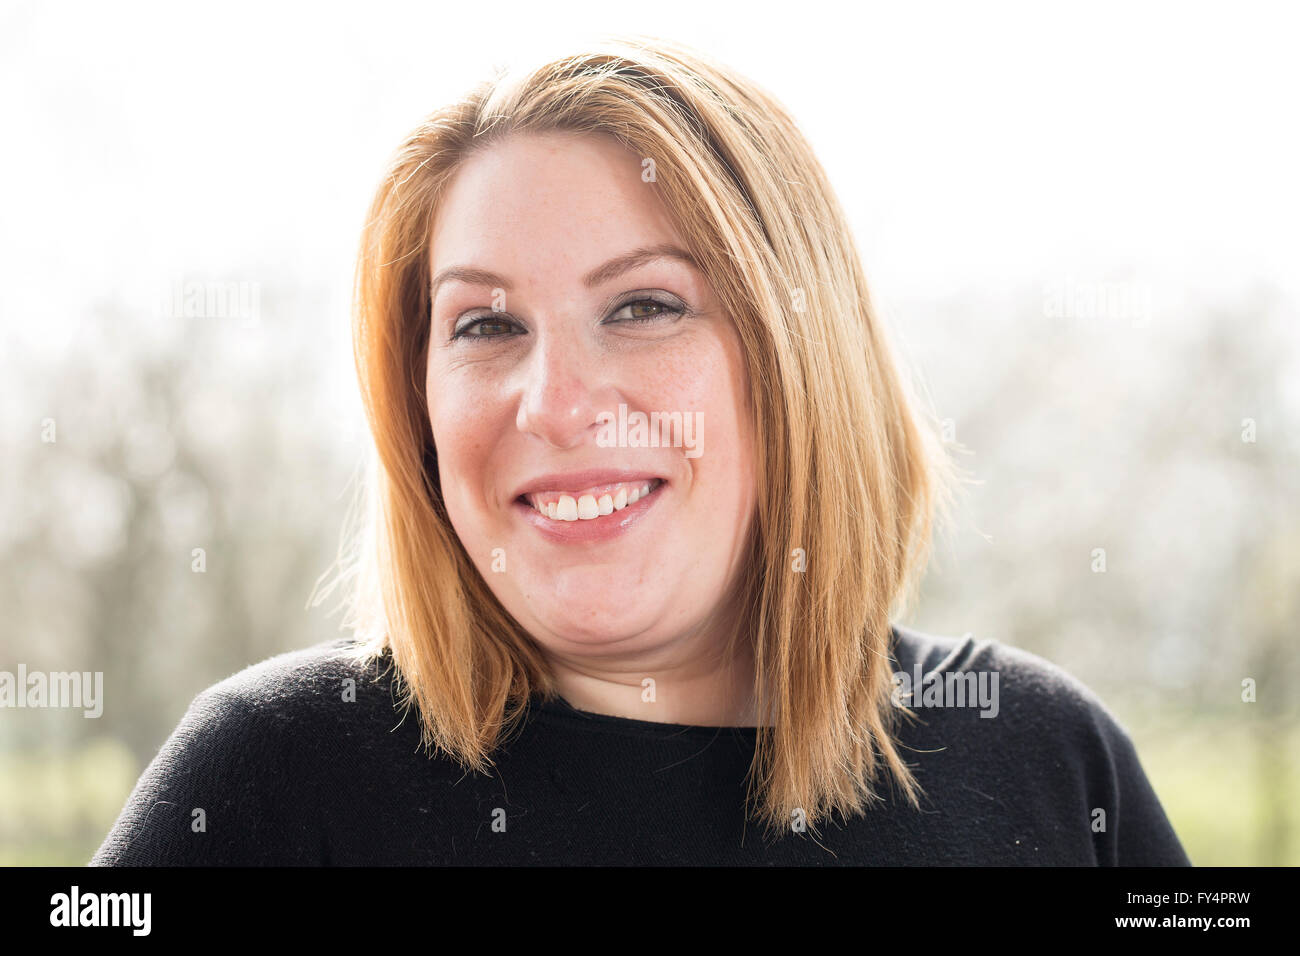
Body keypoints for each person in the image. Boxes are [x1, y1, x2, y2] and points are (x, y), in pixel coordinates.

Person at [91, 34, 1191, 866]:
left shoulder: (1046, 760)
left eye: (644, 305)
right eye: (484, 324)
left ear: (798, 357)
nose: (556, 404)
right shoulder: (268, 777)